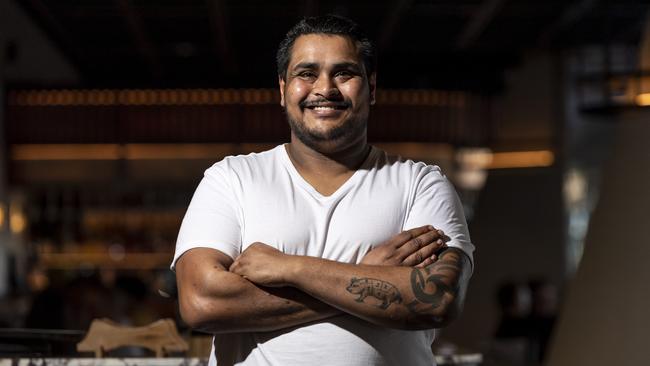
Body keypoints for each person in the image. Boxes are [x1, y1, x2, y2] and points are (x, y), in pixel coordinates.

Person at [172, 14, 474, 366]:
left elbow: (436, 300)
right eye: (307, 73)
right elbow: (201, 303)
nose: (325, 89)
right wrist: (368, 274)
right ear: (283, 89)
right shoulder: (231, 179)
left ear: (371, 89)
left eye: (344, 73)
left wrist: (290, 268)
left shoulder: (420, 183)